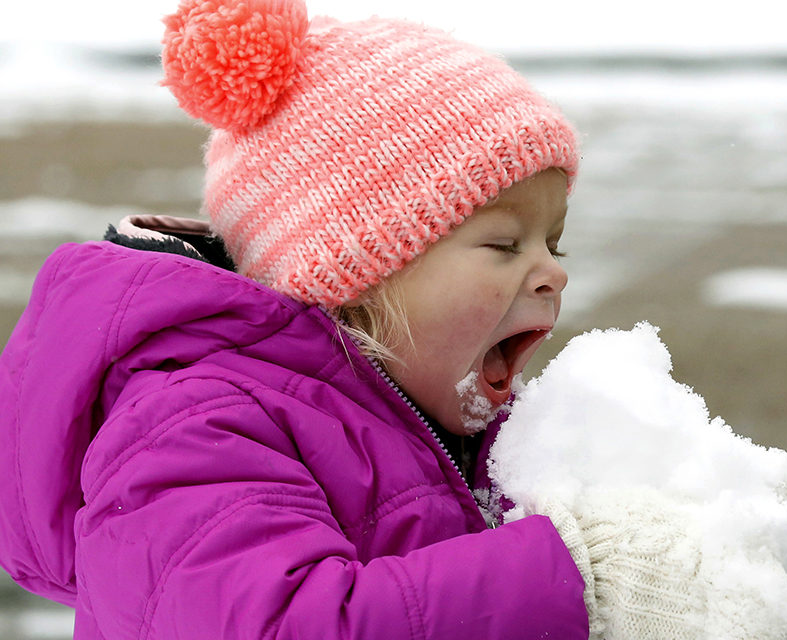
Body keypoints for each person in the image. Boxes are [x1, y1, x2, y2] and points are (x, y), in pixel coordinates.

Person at [0, 0, 708, 638]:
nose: (551, 271)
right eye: (503, 244)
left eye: (554, 244)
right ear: (355, 273)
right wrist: (575, 579)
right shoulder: (197, 426)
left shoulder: (456, 417)